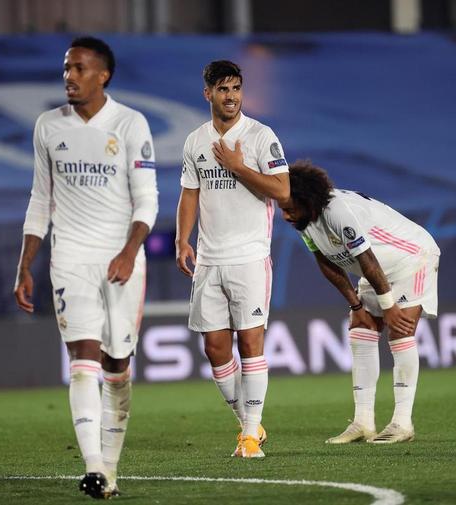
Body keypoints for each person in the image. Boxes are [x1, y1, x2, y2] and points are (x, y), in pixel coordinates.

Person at [13, 36, 158, 498]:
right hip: (70, 257)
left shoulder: (131, 124)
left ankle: (110, 470)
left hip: (120, 262)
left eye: (78, 69)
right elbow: (41, 198)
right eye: (65, 68)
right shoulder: (48, 126)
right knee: (83, 362)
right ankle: (94, 467)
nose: (69, 77)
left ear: (103, 75)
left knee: (118, 365)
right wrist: (25, 264)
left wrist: (130, 250)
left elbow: (148, 200)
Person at [279, 161, 440, 444]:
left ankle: (402, 423)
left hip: (412, 258)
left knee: (400, 330)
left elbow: (367, 260)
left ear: (308, 200)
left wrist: (389, 306)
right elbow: (325, 263)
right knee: (360, 330)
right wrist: (356, 306)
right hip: (376, 268)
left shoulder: (338, 211)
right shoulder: (305, 221)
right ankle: (363, 423)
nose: (285, 216)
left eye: (289, 208)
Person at [176, 60, 290, 458]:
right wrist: (182, 239)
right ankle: (250, 424)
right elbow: (190, 191)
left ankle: (247, 437)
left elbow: (282, 190)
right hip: (209, 259)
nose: (232, 97)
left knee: (251, 343)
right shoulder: (195, 141)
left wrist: (239, 168)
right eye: (223, 90)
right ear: (207, 93)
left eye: (237, 88)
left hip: (249, 256)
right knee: (215, 349)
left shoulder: (261, 136)